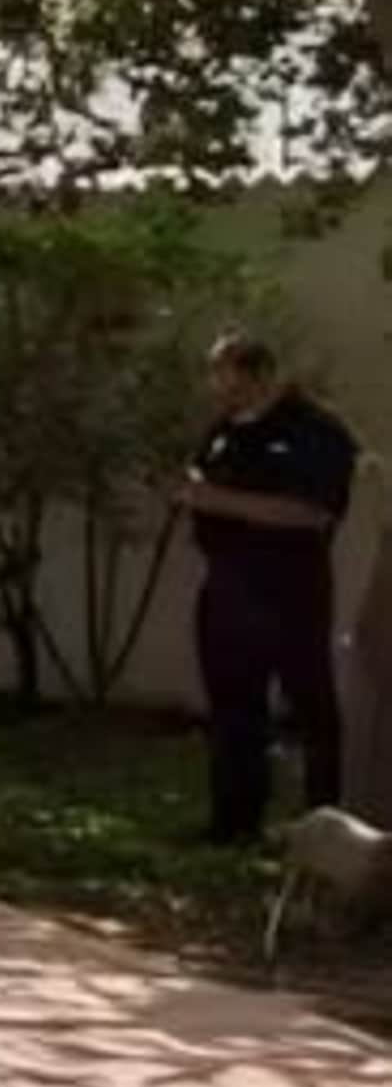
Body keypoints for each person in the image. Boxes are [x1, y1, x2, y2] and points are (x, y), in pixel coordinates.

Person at [182, 332, 362, 843]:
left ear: (260, 376)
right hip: (226, 587)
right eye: (216, 380)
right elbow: (202, 485)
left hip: (290, 590)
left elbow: (313, 512)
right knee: (233, 708)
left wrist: (215, 500)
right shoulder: (223, 430)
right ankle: (234, 821)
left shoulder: (314, 431)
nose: (220, 392)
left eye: (230, 381)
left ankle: (325, 822)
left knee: (310, 709)